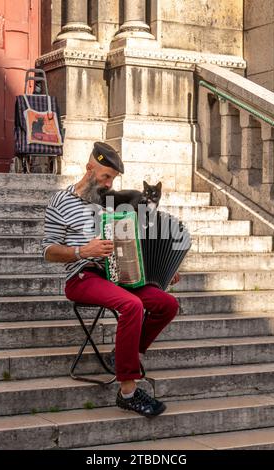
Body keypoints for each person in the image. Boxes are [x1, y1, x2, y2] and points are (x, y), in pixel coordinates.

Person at [42, 141, 180, 418]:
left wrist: (161, 268)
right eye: (106, 176)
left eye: (113, 178)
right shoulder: (61, 201)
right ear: (90, 168)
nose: (108, 183)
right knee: (131, 306)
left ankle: (123, 354)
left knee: (167, 303)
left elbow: (134, 242)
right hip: (82, 276)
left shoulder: (111, 203)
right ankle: (128, 391)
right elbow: (48, 251)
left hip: (119, 275)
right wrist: (83, 251)